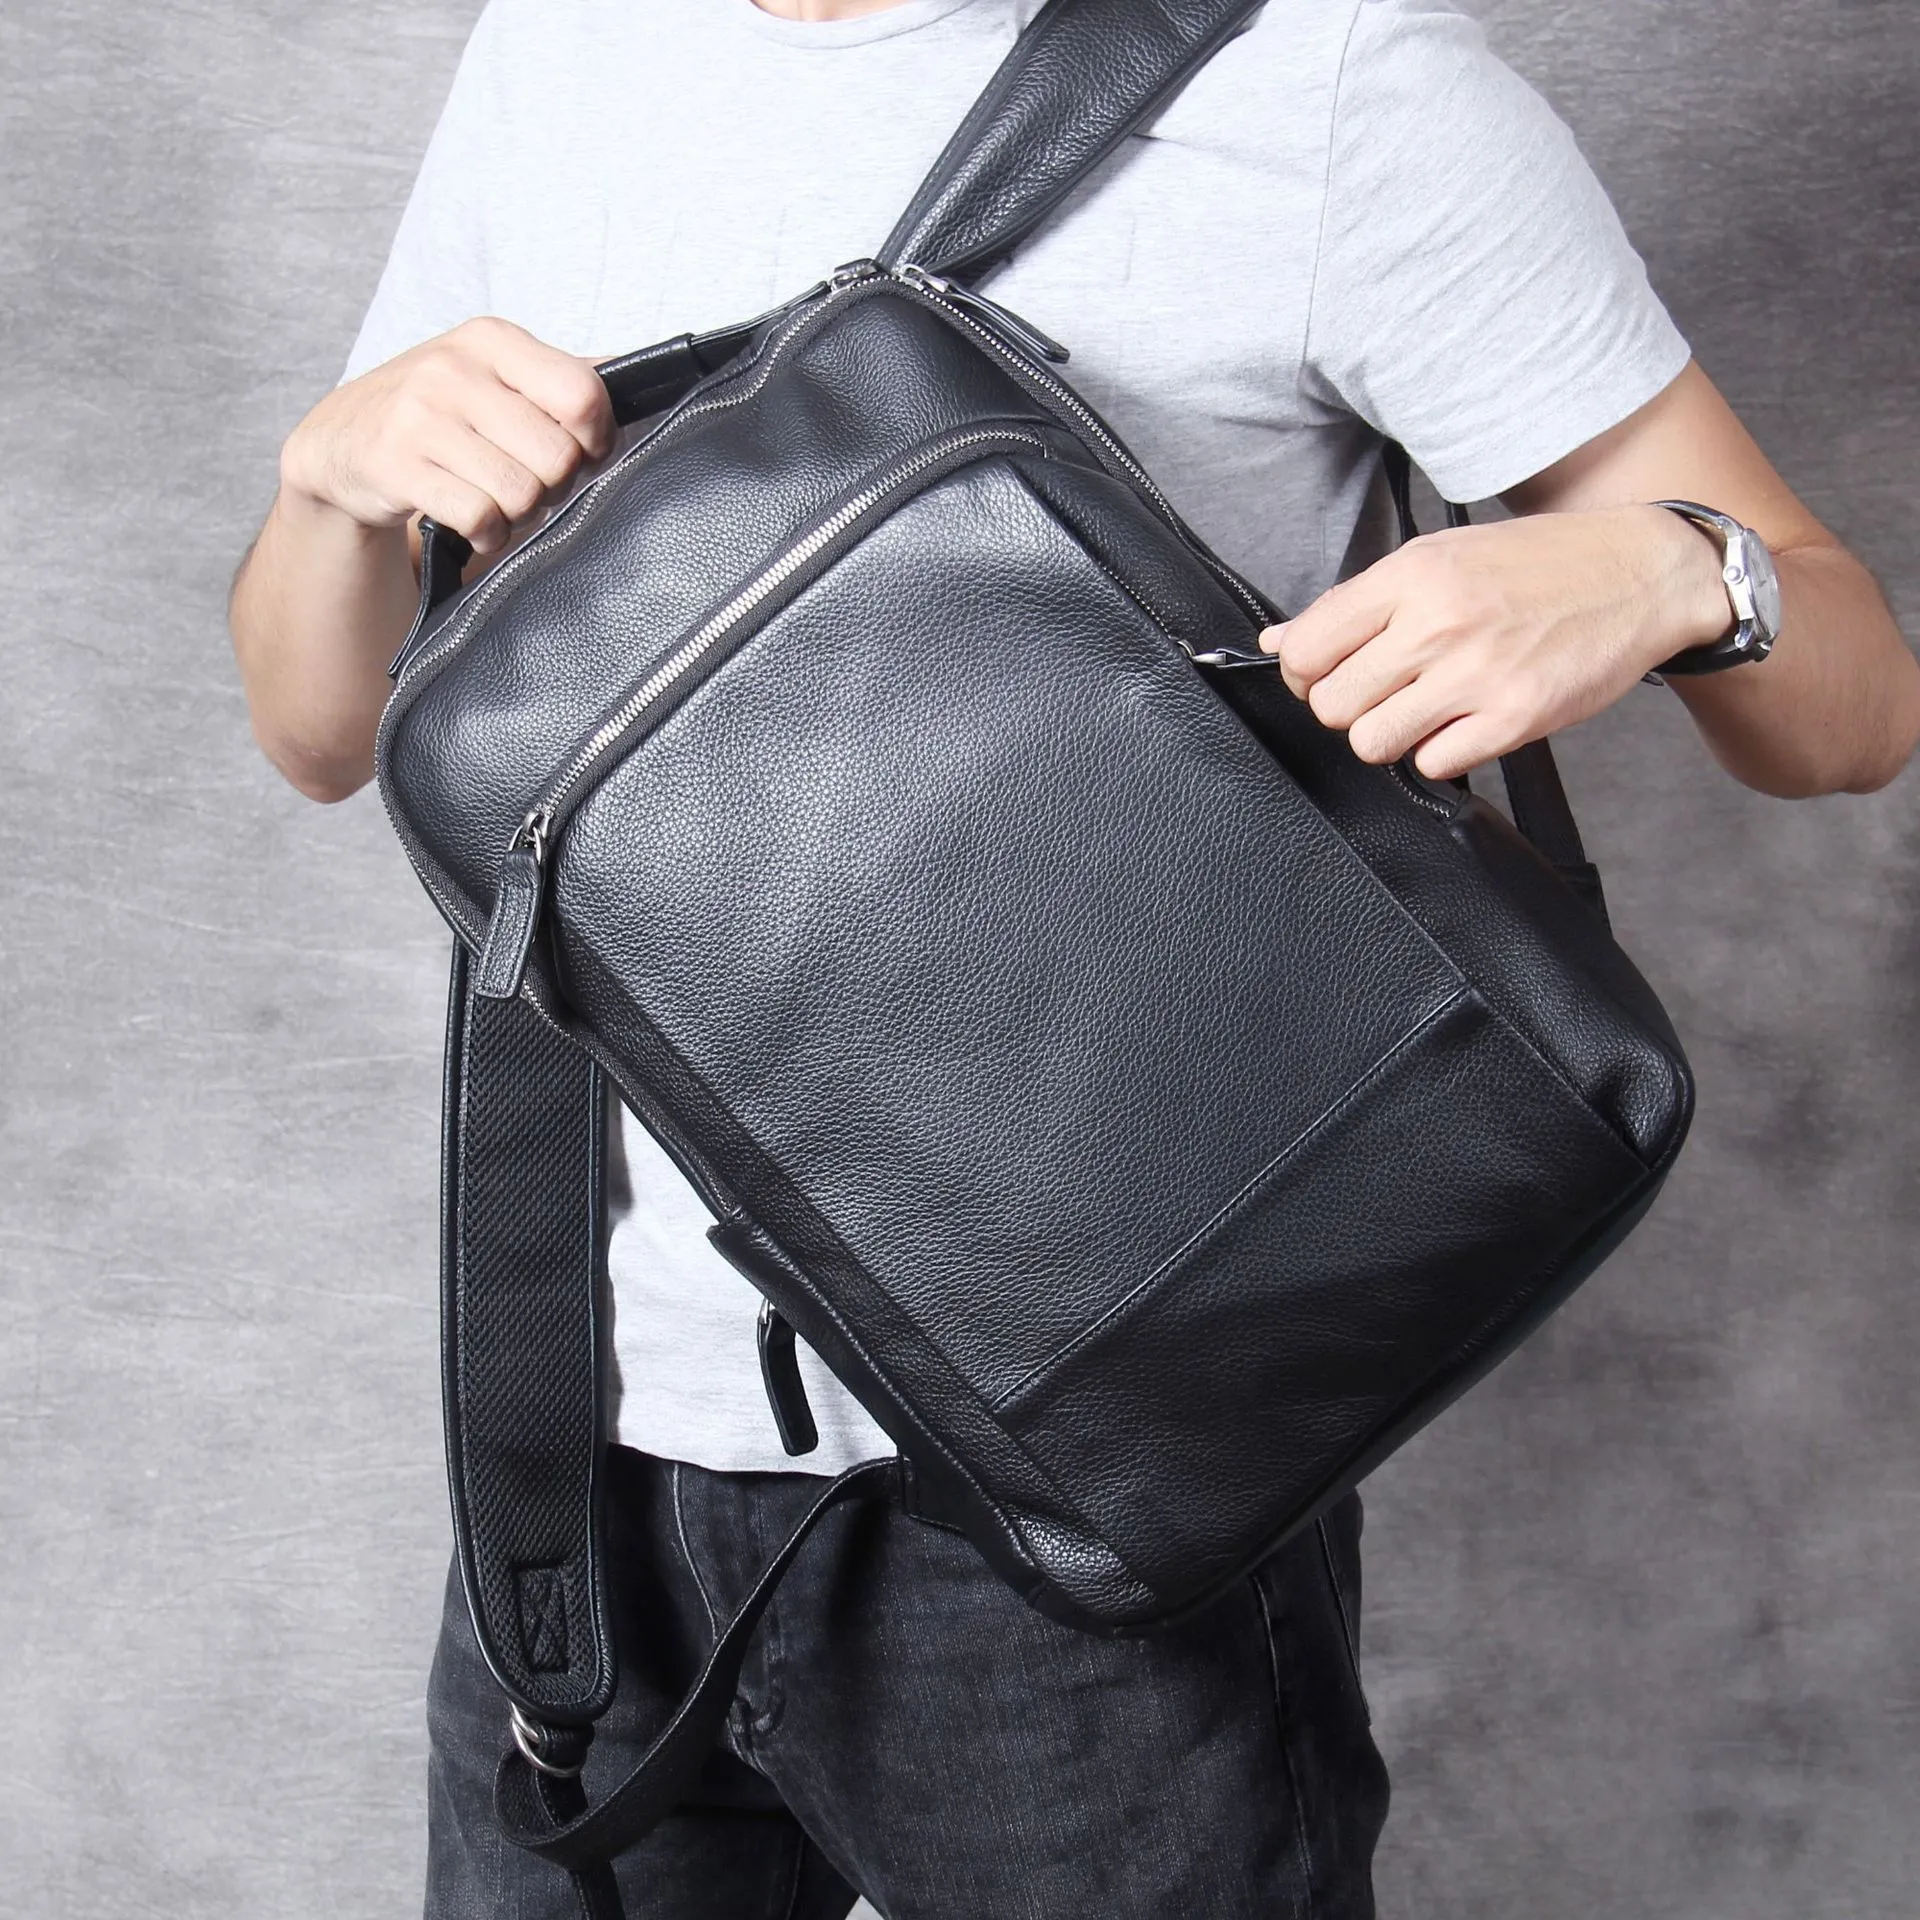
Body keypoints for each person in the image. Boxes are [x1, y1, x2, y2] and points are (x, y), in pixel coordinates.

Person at [228, 0, 1920, 1913]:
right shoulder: (562, 48)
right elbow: (324, 730)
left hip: (1099, 1482)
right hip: (582, 1454)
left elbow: (1853, 710)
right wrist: (326, 487)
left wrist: (1682, 569)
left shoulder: (1337, 89)